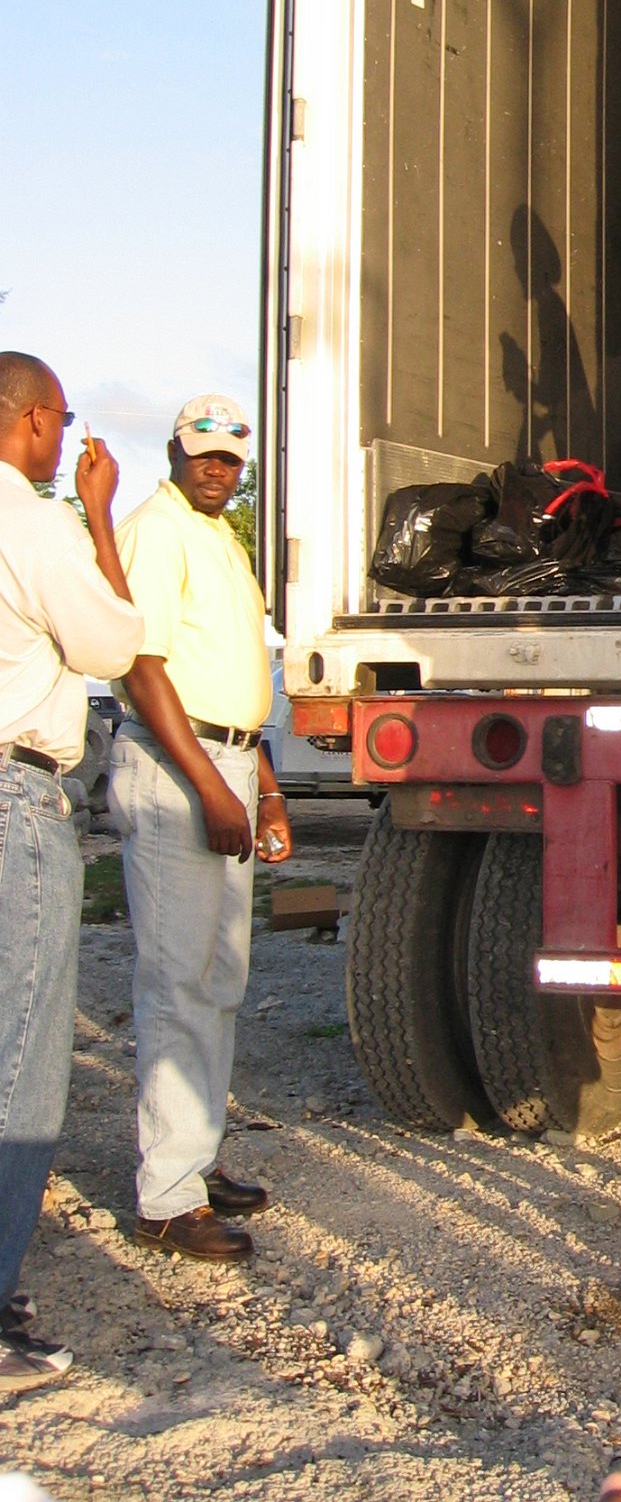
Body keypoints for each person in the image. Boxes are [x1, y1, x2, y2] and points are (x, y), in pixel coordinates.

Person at [109, 395, 293, 1263]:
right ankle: (165, 1197)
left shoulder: (222, 537)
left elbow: (231, 680)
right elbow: (144, 669)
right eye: (202, 455)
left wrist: (264, 790)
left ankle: (194, 1155)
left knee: (220, 980)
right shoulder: (156, 529)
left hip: (226, 763)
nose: (216, 468)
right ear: (176, 453)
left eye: (229, 457)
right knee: (179, 981)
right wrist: (211, 792)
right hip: (176, 768)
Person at [0, 352, 143, 1392]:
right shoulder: (30, 518)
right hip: (13, 798)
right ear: (37, 418)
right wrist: (96, 513)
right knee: (19, 1055)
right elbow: (109, 641)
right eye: (62, 422)